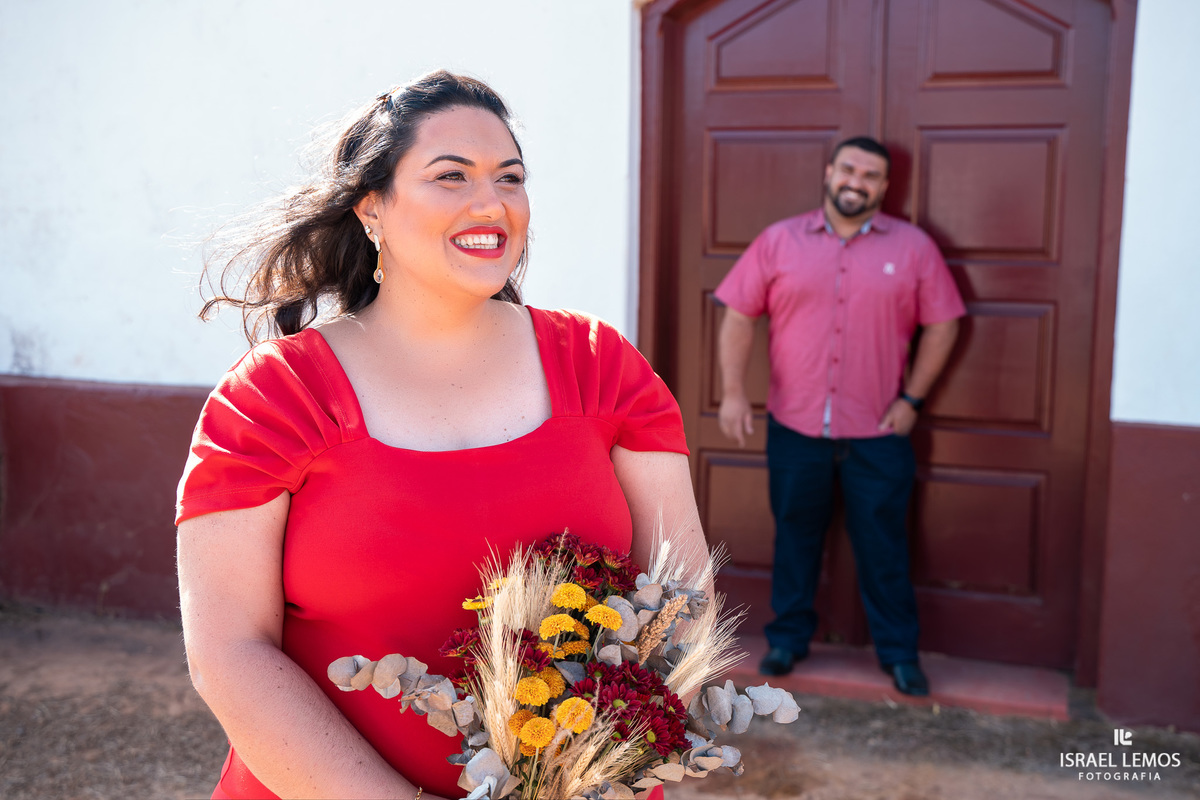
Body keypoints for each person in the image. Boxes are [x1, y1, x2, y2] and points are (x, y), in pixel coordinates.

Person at [176, 71, 700, 800]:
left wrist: (598, 775)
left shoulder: (603, 367)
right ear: (371, 207)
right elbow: (229, 653)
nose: (492, 202)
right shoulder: (274, 396)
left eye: (509, 178)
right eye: (450, 176)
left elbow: (681, 603)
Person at [713, 136, 964, 697]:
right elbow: (737, 313)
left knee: (884, 546)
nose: (857, 181)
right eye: (848, 169)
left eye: (870, 175)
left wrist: (914, 401)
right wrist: (733, 392)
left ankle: (899, 654)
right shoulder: (779, 241)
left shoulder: (915, 247)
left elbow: (945, 322)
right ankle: (787, 640)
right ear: (829, 173)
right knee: (795, 537)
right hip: (795, 426)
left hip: (879, 431)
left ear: (884, 187)